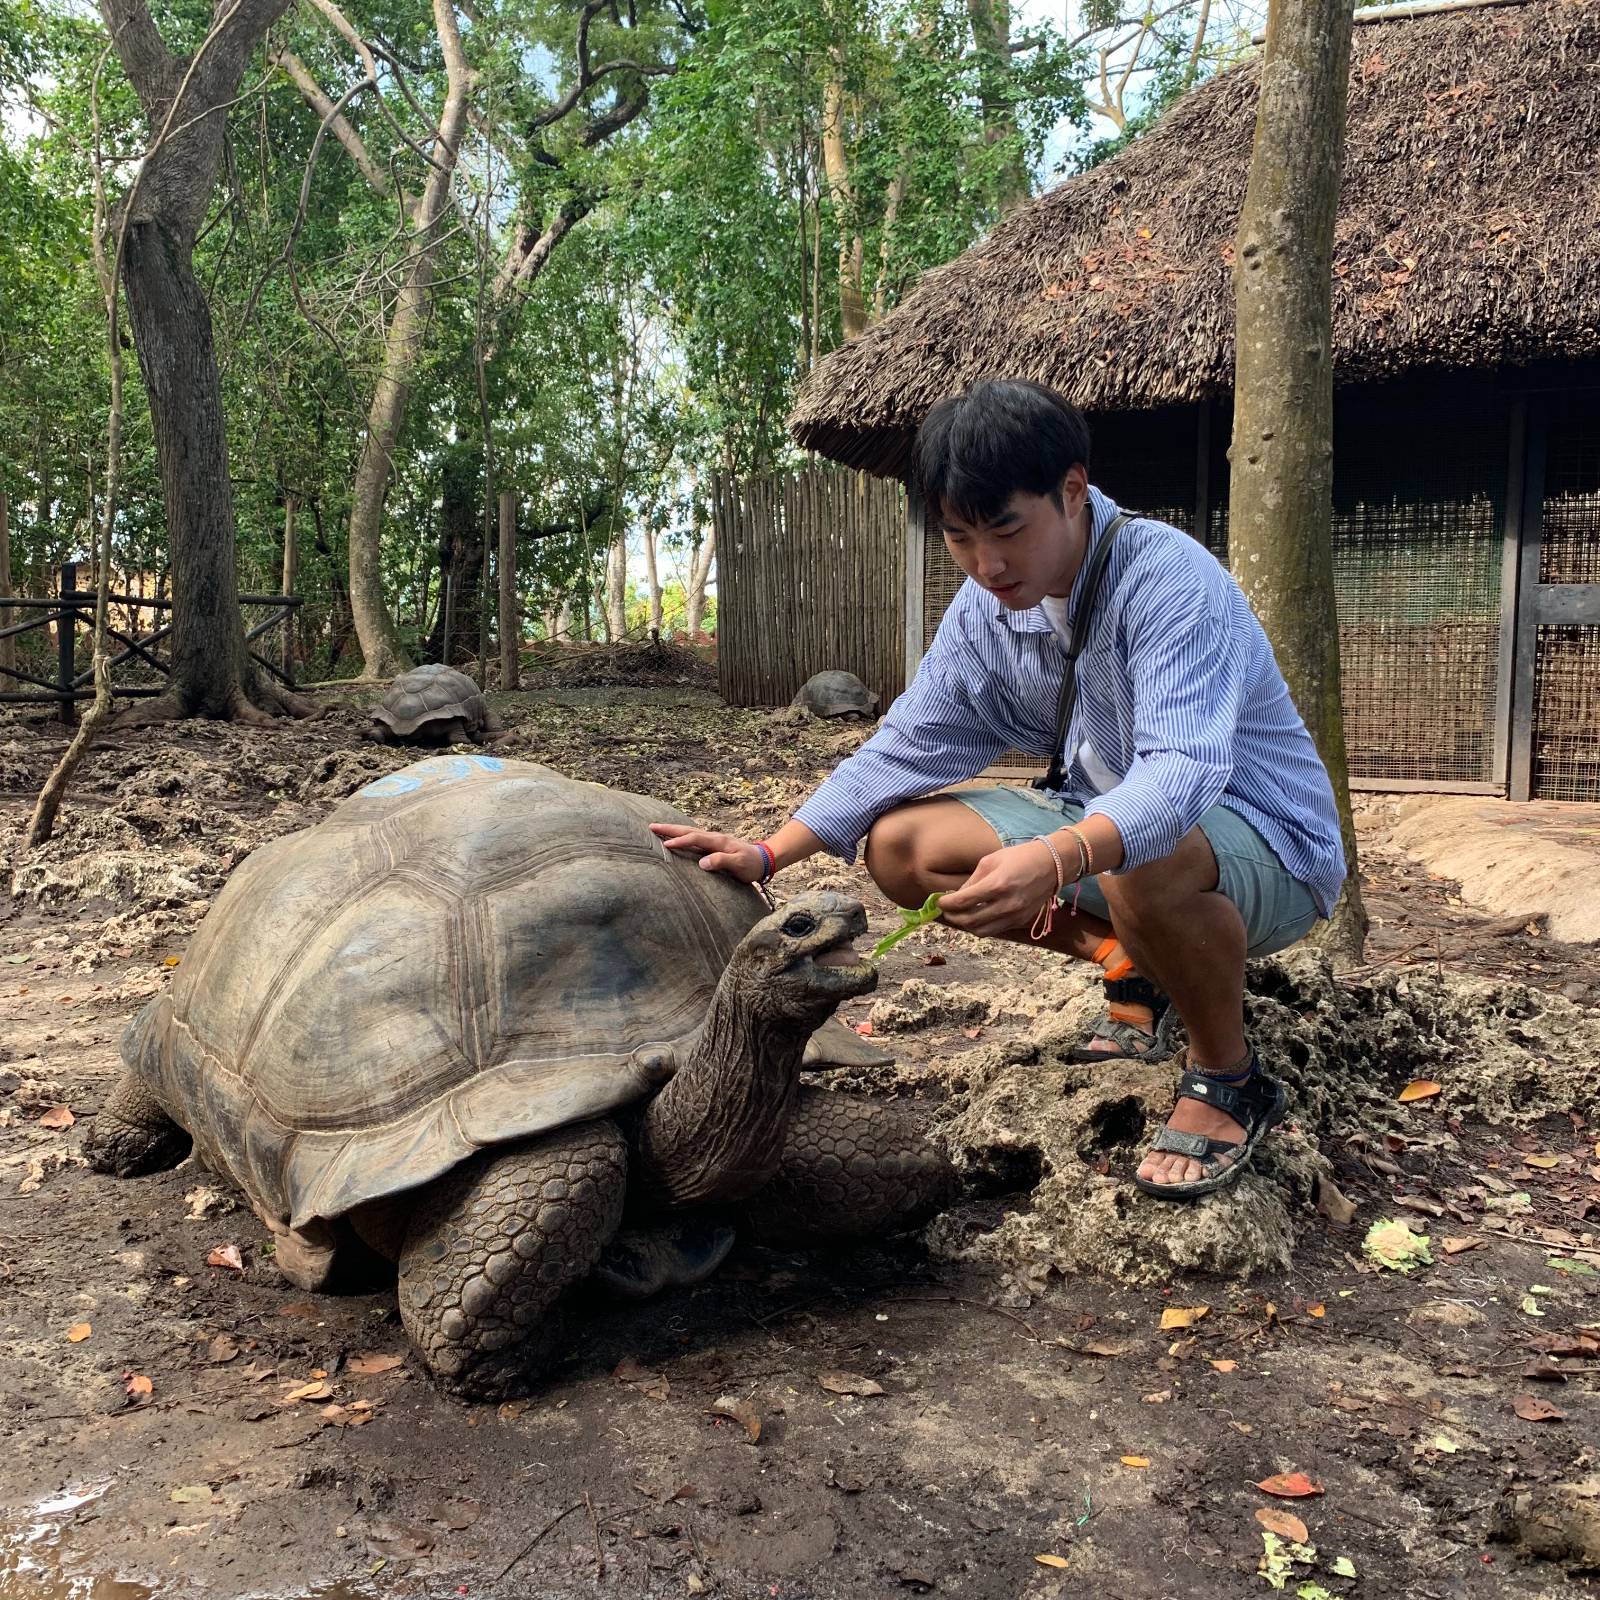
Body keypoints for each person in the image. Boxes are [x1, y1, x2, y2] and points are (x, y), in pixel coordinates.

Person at [651, 379, 1345, 1202]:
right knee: (901, 843)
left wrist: (1055, 857)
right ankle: (1133, 967)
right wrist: (771, 848)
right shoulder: (983, 610)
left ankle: (1229, 1077)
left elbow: (1181, 775)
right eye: (959, 538)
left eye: (1007, 530)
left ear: (1073, 491)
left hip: (1268, 843)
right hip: (1102, 827)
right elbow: (908, 744)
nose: (987, 565)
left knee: (1140, 854)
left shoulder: (1169, 581)